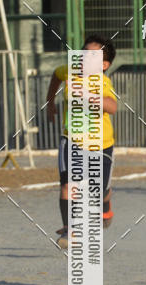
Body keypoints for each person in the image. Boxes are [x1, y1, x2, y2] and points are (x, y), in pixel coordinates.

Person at [46, 34, 117, 249]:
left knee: (99, 192)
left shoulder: (103, 82)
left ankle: (105, 202)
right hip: (72, 139)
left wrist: (87, 94)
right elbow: (55, 75)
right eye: (84, 52)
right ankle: (70, 229)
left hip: (101, 144)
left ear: (104, 65)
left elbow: (112, 107)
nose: (85, 57)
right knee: (68, 185)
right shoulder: (70, 71)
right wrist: (50, 102)